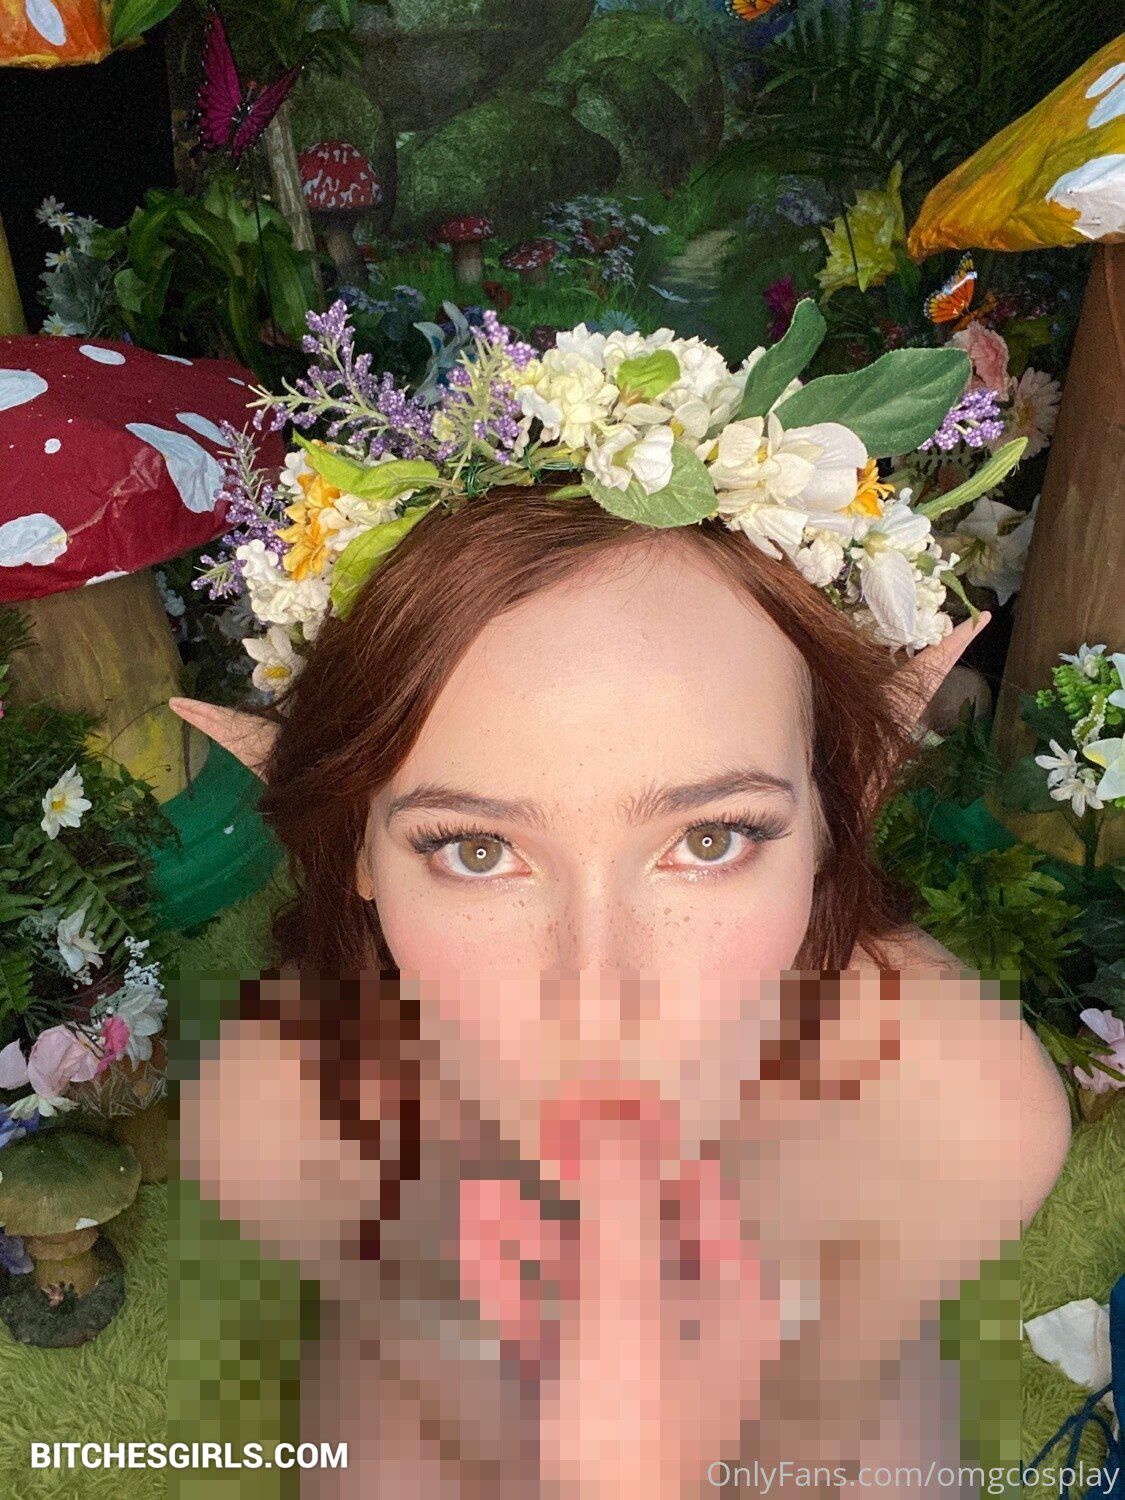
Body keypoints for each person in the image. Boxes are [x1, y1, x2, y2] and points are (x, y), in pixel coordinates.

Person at [174, 308, 1069, 1496]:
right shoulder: (276, 1125)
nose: (597, 1000)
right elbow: (408, 1382)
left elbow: (835, 1409)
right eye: (476, 850)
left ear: (833, 809)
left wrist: (691, 1399)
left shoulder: (964, 1120)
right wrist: (503, 1362)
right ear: (356, 848)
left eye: (710, 839)